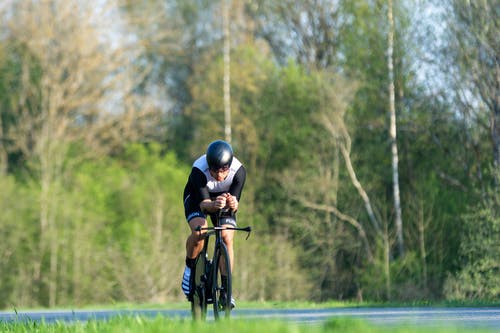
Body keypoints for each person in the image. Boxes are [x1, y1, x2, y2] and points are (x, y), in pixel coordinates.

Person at [181, 140, 246, 308]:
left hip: (222, 201)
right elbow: (204, 205)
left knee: (227, 236)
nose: (218, 174)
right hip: (198, 198)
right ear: (208, 165)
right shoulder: (199, 170)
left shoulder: (239, 171)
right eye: (214, 170)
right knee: (200, 231)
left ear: (229, 166)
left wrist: (232, 202)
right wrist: (213, 204)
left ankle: (226, 290)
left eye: (223, 170)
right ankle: (189, 269)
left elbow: (236, 204)